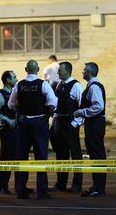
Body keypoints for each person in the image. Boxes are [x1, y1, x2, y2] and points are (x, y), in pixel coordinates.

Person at [8, 60, 57, 200]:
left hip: (23, 124)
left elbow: (11, 105)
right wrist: (47, 111)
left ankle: (20, 191)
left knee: (21, 157)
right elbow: (53, 103)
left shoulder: (19, 84)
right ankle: (42, 192)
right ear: (38, 69)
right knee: (41, 157)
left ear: (25, 69)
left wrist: (21, 110)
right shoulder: (43, 84)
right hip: (39, 123)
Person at [49, 62, 84, 194]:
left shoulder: (76, 85)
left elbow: (82, 106)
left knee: (75, 154)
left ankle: (77, 184)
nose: (58, 73)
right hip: (58, 122)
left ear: (68, 71)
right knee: (60, 154)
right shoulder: (59, 84)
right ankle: (61, 183)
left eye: (60, 70)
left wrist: (75, 124)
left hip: (69, 123)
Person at [73, 62, 107, 197]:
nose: (82, 72)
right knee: (94, 154)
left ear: (90, 72)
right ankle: (97, 186)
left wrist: (82, 112)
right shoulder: (92, 86)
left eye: (84, 70)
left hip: (95, 123)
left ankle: (98, 187)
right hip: (93, 123)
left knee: (97, 154)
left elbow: (98, 106)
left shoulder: (94, 87)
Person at [0, 71, 18, 195]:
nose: (17, 80)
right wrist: (8, 120)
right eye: (14, 77)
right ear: (7, 80)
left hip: (18, 129)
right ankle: (3, 185)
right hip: (7, 130)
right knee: (6, 158)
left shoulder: (17, 93)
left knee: (19, 158)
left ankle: (20, 186)